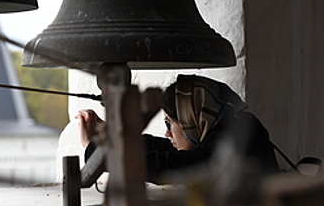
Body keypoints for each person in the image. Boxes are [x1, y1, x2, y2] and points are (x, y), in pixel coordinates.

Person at [77, 74, 279, 183]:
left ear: (191, 118)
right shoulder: (230, 126)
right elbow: (168, 148)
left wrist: (96, 150)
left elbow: (171, 165)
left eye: (170, 123)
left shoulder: (234, 140)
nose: (167, 132)